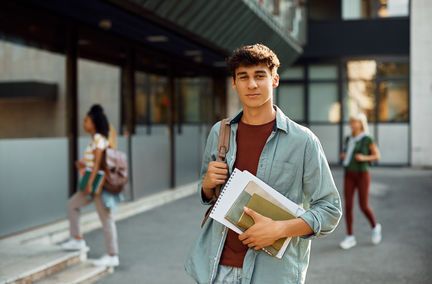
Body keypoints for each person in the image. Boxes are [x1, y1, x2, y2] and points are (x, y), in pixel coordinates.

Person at [185, 44, 342, 284]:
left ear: (275, 80)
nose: (252, 84)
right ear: (234, 84)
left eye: (260, 76)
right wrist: (206, 184)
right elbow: (207, 194)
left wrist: (280, 229)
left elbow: (330, 209)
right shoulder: (220, 132)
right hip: (217, 269)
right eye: (243, 77)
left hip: (272, 274)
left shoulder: (303, 141)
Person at [61, 104, 121, 267]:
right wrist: (82, 166)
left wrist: (89, 181)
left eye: (86, 120)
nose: (84, 123)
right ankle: (77, 239)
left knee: (106, 219)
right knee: (72, 205)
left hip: (98, 186)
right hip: (94, 185)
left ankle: (112, 255)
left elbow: (97, 165)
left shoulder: (99, 140)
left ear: (94, 122)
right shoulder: (96, 140)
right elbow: (93, 162)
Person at [339, 113, 382, 250]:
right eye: (351, 122)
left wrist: (363, 158)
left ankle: (375, 227)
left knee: (363, 206)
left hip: (362, 174)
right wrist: (344, 156)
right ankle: (350, 236)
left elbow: (377, 156)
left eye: (355, 122)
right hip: (349, 174)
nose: (352, 125)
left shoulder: (367, 139)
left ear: (361, 123)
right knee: (348, 206)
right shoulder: (348, 138)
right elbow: (346, 154)